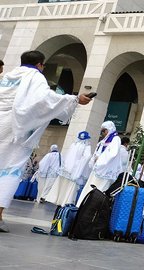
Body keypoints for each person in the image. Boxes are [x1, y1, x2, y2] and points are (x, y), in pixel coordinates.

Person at [0, 50, 91, 232]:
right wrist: (74, 99)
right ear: (40, 64)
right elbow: (45, 100)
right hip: (16, 132)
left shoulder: (8, 76)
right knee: (10, 170)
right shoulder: (35, 77)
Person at [76, 121, 122, 207]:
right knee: (90, 188)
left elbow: (112, 153)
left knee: (100, 191)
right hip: (98, 170)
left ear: (109, 129)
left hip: (106, 171)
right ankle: (82, 206)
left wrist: (99, 158)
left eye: (104, 130)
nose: (103, 133)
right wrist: (95, 158)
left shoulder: (116, 139)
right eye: (102, 131)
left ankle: (91, 209)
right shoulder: (104, 140)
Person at [45, 131, 92, 206]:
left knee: (62, 186)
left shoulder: (73, 145)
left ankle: (58, 201)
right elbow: (87, 157)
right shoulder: (86, 147)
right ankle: (66, 203)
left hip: (66, 170)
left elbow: (66, 156)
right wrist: (79, 166)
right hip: (75, 171)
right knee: (70, 189)